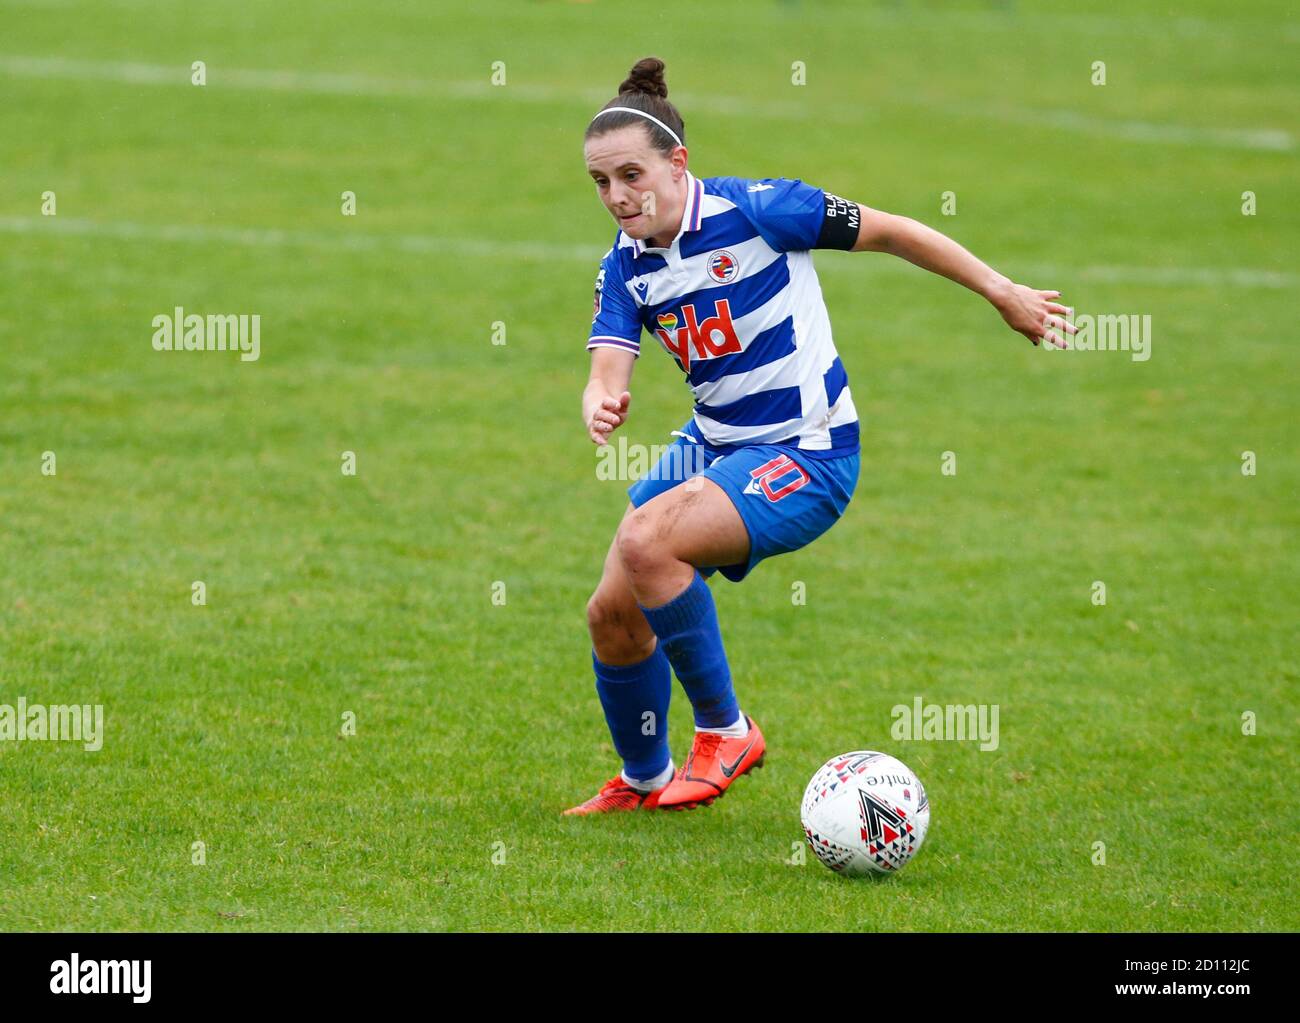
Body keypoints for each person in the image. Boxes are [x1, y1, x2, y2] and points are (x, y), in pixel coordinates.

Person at [565, 57, 1074, 814]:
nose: (616, 196)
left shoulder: (764, 209)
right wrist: (602, 399)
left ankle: (726, 730)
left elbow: (894, 231)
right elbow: (608, 366)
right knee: (611, 612)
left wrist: (1003, 292)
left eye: (630, 174)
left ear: (678, 163)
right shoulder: (627, 266)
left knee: (647, 543)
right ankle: (644, 780)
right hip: (714, 443)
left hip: (808, 451)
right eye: (601, 182)